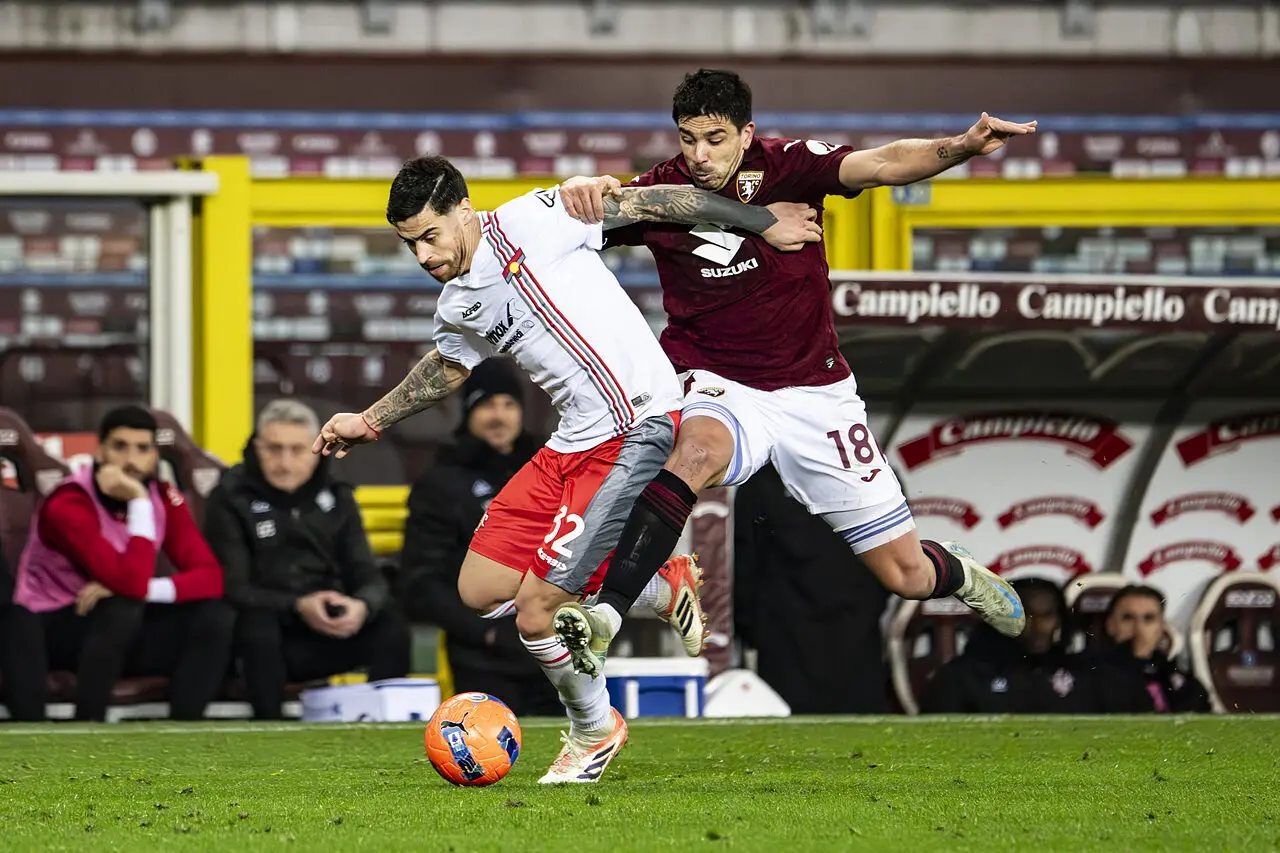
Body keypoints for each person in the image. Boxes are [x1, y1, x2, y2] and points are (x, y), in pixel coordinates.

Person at [313, 154, 820, 782]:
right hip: (570, 443)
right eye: (409, 244)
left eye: (429, 236)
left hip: (639, 426)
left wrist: (759, 220)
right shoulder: (457, 306)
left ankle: (593, 730)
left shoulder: (535, 219)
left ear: (463, 211)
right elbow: (449, 366)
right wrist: (371, 420)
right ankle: (661, 583)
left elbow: (658, 204)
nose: (422, 255)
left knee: (536, 611)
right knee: (478, 590)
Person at [552, 68, 1037, 677]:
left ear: (746, 133)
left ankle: (959, 570)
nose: (700, 155)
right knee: (696, 450)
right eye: (687, 139)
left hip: (816, 394)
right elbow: (564, 222)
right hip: (719, 384)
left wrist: (961, 148)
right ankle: (608, 615)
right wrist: (581, 186)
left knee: (907, 575)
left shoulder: (790, 166)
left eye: (716, 139)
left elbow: (884, 163)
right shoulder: (661, 193)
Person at [4, 405, 232, 722]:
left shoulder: (164, 497)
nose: (131, 459)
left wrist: (146, 589)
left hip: (119, 628)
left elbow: (211, 578)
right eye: (120, 446)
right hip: (58, 625)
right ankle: (89, 725)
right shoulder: (68, 501)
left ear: (155, 455)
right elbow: (128, 583)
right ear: (100, 451)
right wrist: (137, 500)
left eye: (143, 448)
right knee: (121, 607)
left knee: (216, 615)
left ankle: (184, 729)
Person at [202, 399, 412, 720]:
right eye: (273, 449)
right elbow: (233, 586)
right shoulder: (231, 496)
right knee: (256, 623)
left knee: (391, 624)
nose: (284, 462)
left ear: (316, 451)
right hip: (263, 637)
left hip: (326, 632)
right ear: (255, 447)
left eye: (297, 450)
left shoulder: (338, 496)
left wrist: (361, 606)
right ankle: (267, 731)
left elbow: (366, 573)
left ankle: (381, 727)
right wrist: (298, 605)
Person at [399, 358, 562, 717]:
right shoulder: (441, 483)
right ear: (469, 411)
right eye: (487, 404)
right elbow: (420, 582)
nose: (499, 415)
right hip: (483, 651)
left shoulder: (549, 471)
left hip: (553, 641)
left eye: (508, 404)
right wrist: (485, 634)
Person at [734, 464, 890, 713]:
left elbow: (744, 564)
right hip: (826, 636)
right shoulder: (873, 470)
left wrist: (749, 628)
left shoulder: (762, 480)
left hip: (798, 638)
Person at [921, 578, 1147, 714]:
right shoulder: (963, 675)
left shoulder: (1086, 673)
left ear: (1059, 620)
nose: (1037, 625)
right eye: (1025, 615)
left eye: (1046, 615)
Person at [1101, 584, 1211, 713]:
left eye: (1149, 619)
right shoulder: (1088, 677)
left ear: (1161, 627)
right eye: (1128, 618)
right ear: (1110, 625)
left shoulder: (1182, 682)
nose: (1139, 629)